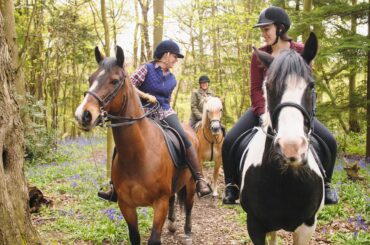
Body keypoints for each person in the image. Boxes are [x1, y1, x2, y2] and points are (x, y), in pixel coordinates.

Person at [221, 6, 338, 205]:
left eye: (266, 29)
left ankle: (326, 184)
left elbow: (306, 86)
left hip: (295, 111)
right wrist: (263, 114)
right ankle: (232, 185)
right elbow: (255, 90)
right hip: (265, 110)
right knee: (230, 140)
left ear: (281, 29)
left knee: (330, 141)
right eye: (262, 30)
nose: (263, 34)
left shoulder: (301, 52)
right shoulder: (260, 55)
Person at [98, 40, 212, 201]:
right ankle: (113, 186)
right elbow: (128, 85)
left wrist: (165, 110)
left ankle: (199, 179)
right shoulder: (146, 69)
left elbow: (167, 100)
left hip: (165, 111)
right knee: (123, 141)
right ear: (166, 55)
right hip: (142, 111)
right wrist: (145, 96)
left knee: (184, 137)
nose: (176, 60)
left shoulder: (172, 79)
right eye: (174, 56)